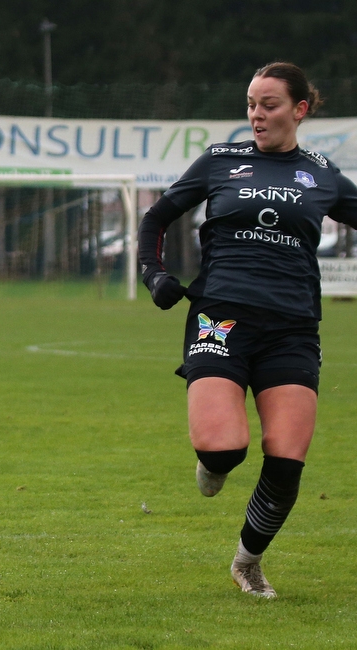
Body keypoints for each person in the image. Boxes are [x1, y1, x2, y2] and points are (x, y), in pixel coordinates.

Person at [138, 62, 357, 599]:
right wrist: (154, 274)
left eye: (270, 105)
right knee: (224, 449)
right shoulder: (220, 161)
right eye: (251, 104)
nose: (257, 115)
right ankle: (212, 465)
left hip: (293, 327)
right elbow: (155, 219)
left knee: (287, 459)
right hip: (222, 316)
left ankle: (247, 562)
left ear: (300, 109)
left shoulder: (322, 172)